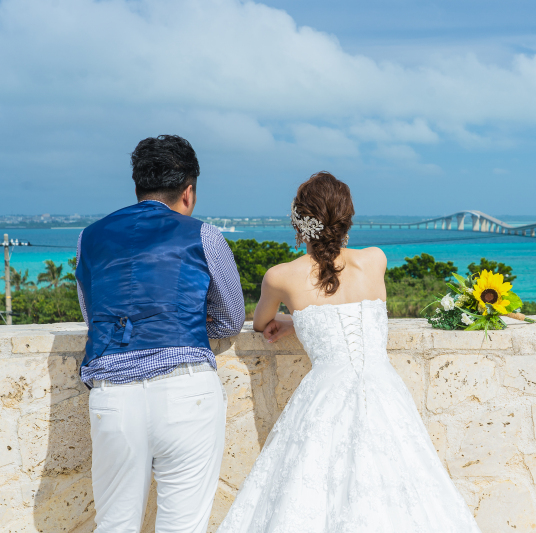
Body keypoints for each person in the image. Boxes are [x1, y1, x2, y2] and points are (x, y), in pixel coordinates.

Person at [217, 172, 482, 532]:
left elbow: (262, 322)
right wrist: (303, 321)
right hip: (384, 391)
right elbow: (342, 302)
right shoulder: (375, 260)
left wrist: (296, 319)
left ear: (299, 223)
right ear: (347, 219)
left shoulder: (280, 277)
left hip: (325, 396)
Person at [75, 135, 245, 532]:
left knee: (114, 525)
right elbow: (231, 320)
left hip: (113, 396)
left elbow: (93, 316)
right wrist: (183, 321)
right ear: (188, 192)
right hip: (186, 392)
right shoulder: (205, 235)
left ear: (138, 186)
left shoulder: (89, 238)